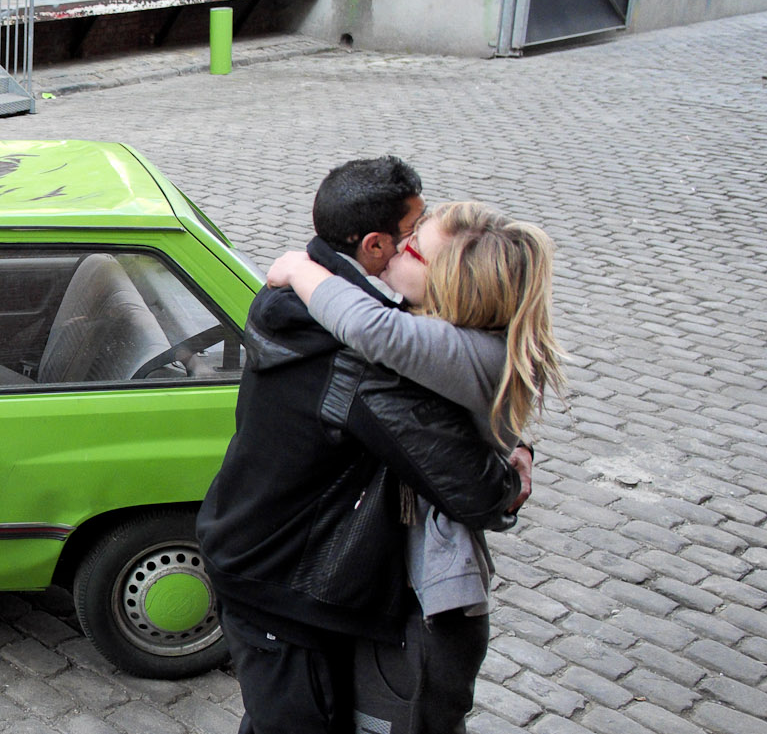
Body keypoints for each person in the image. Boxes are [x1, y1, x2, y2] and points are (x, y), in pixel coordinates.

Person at [194, 157, 524, 734]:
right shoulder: (361, 359)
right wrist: (513, 478)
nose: (421, 240)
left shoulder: (305, 290)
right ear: (375, 246)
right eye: (414, 234)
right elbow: (475, 492)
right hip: (283, 585)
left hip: (258, 551)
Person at [264, 201, 562, 733]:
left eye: (413, 247)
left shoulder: (458, 349)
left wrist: (296, 267)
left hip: (430, 606)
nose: (397, 250)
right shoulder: (471, 343)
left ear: (450, 284)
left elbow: (369, 328)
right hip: (402, 593)